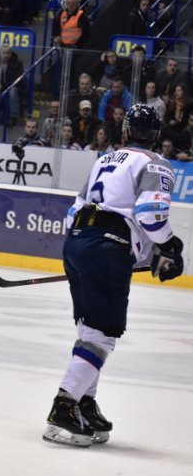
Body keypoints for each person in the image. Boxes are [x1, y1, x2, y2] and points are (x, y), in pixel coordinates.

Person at [44, 103, 184, 447]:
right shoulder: (155, 163)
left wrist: (123, 252)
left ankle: (84, 402)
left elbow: (74, 212)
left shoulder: (105, 159)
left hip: (78, 242)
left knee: (89, 330)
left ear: (125, 131)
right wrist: (169, 246)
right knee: (102, 335)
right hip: (106, 248)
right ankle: (63, 408)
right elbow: (150, 214)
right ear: (156, 134)